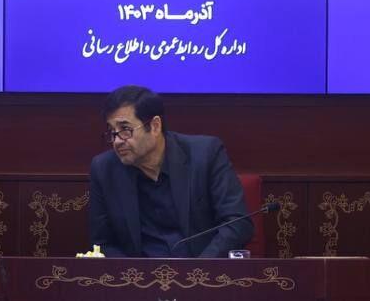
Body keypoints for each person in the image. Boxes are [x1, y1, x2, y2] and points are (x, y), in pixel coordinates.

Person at [88, 85, 252, 258]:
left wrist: (199, 269)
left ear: (155, 126)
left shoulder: (205, 155)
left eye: (125, 130)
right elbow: (102, 243)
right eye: (112, 131)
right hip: (139, 273)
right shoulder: (104, 169)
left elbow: (237, 224)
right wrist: (134, 272)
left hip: (201, 268)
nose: (117, 141)